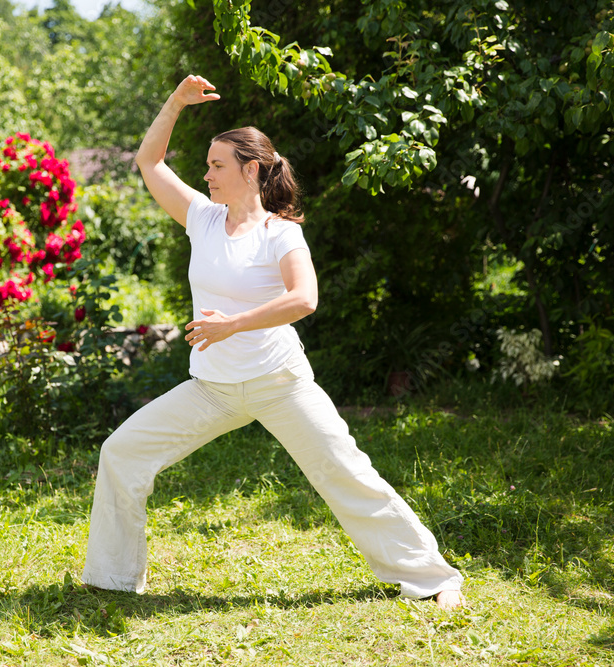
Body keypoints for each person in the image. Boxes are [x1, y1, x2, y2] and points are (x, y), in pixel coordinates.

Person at [80, 74, 466, 610]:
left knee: (345, 471)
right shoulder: (203, 218)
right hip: (212, 388)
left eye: (217, 165)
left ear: (251, 169)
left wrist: (231, 325)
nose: (207, 174)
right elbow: (150, 162)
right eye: (208, 165)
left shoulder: (281, 233)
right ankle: (113, 578)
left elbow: (304, 298)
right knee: (121, 451)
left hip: (279, 383)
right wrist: (175, 101)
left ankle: (433, 577)